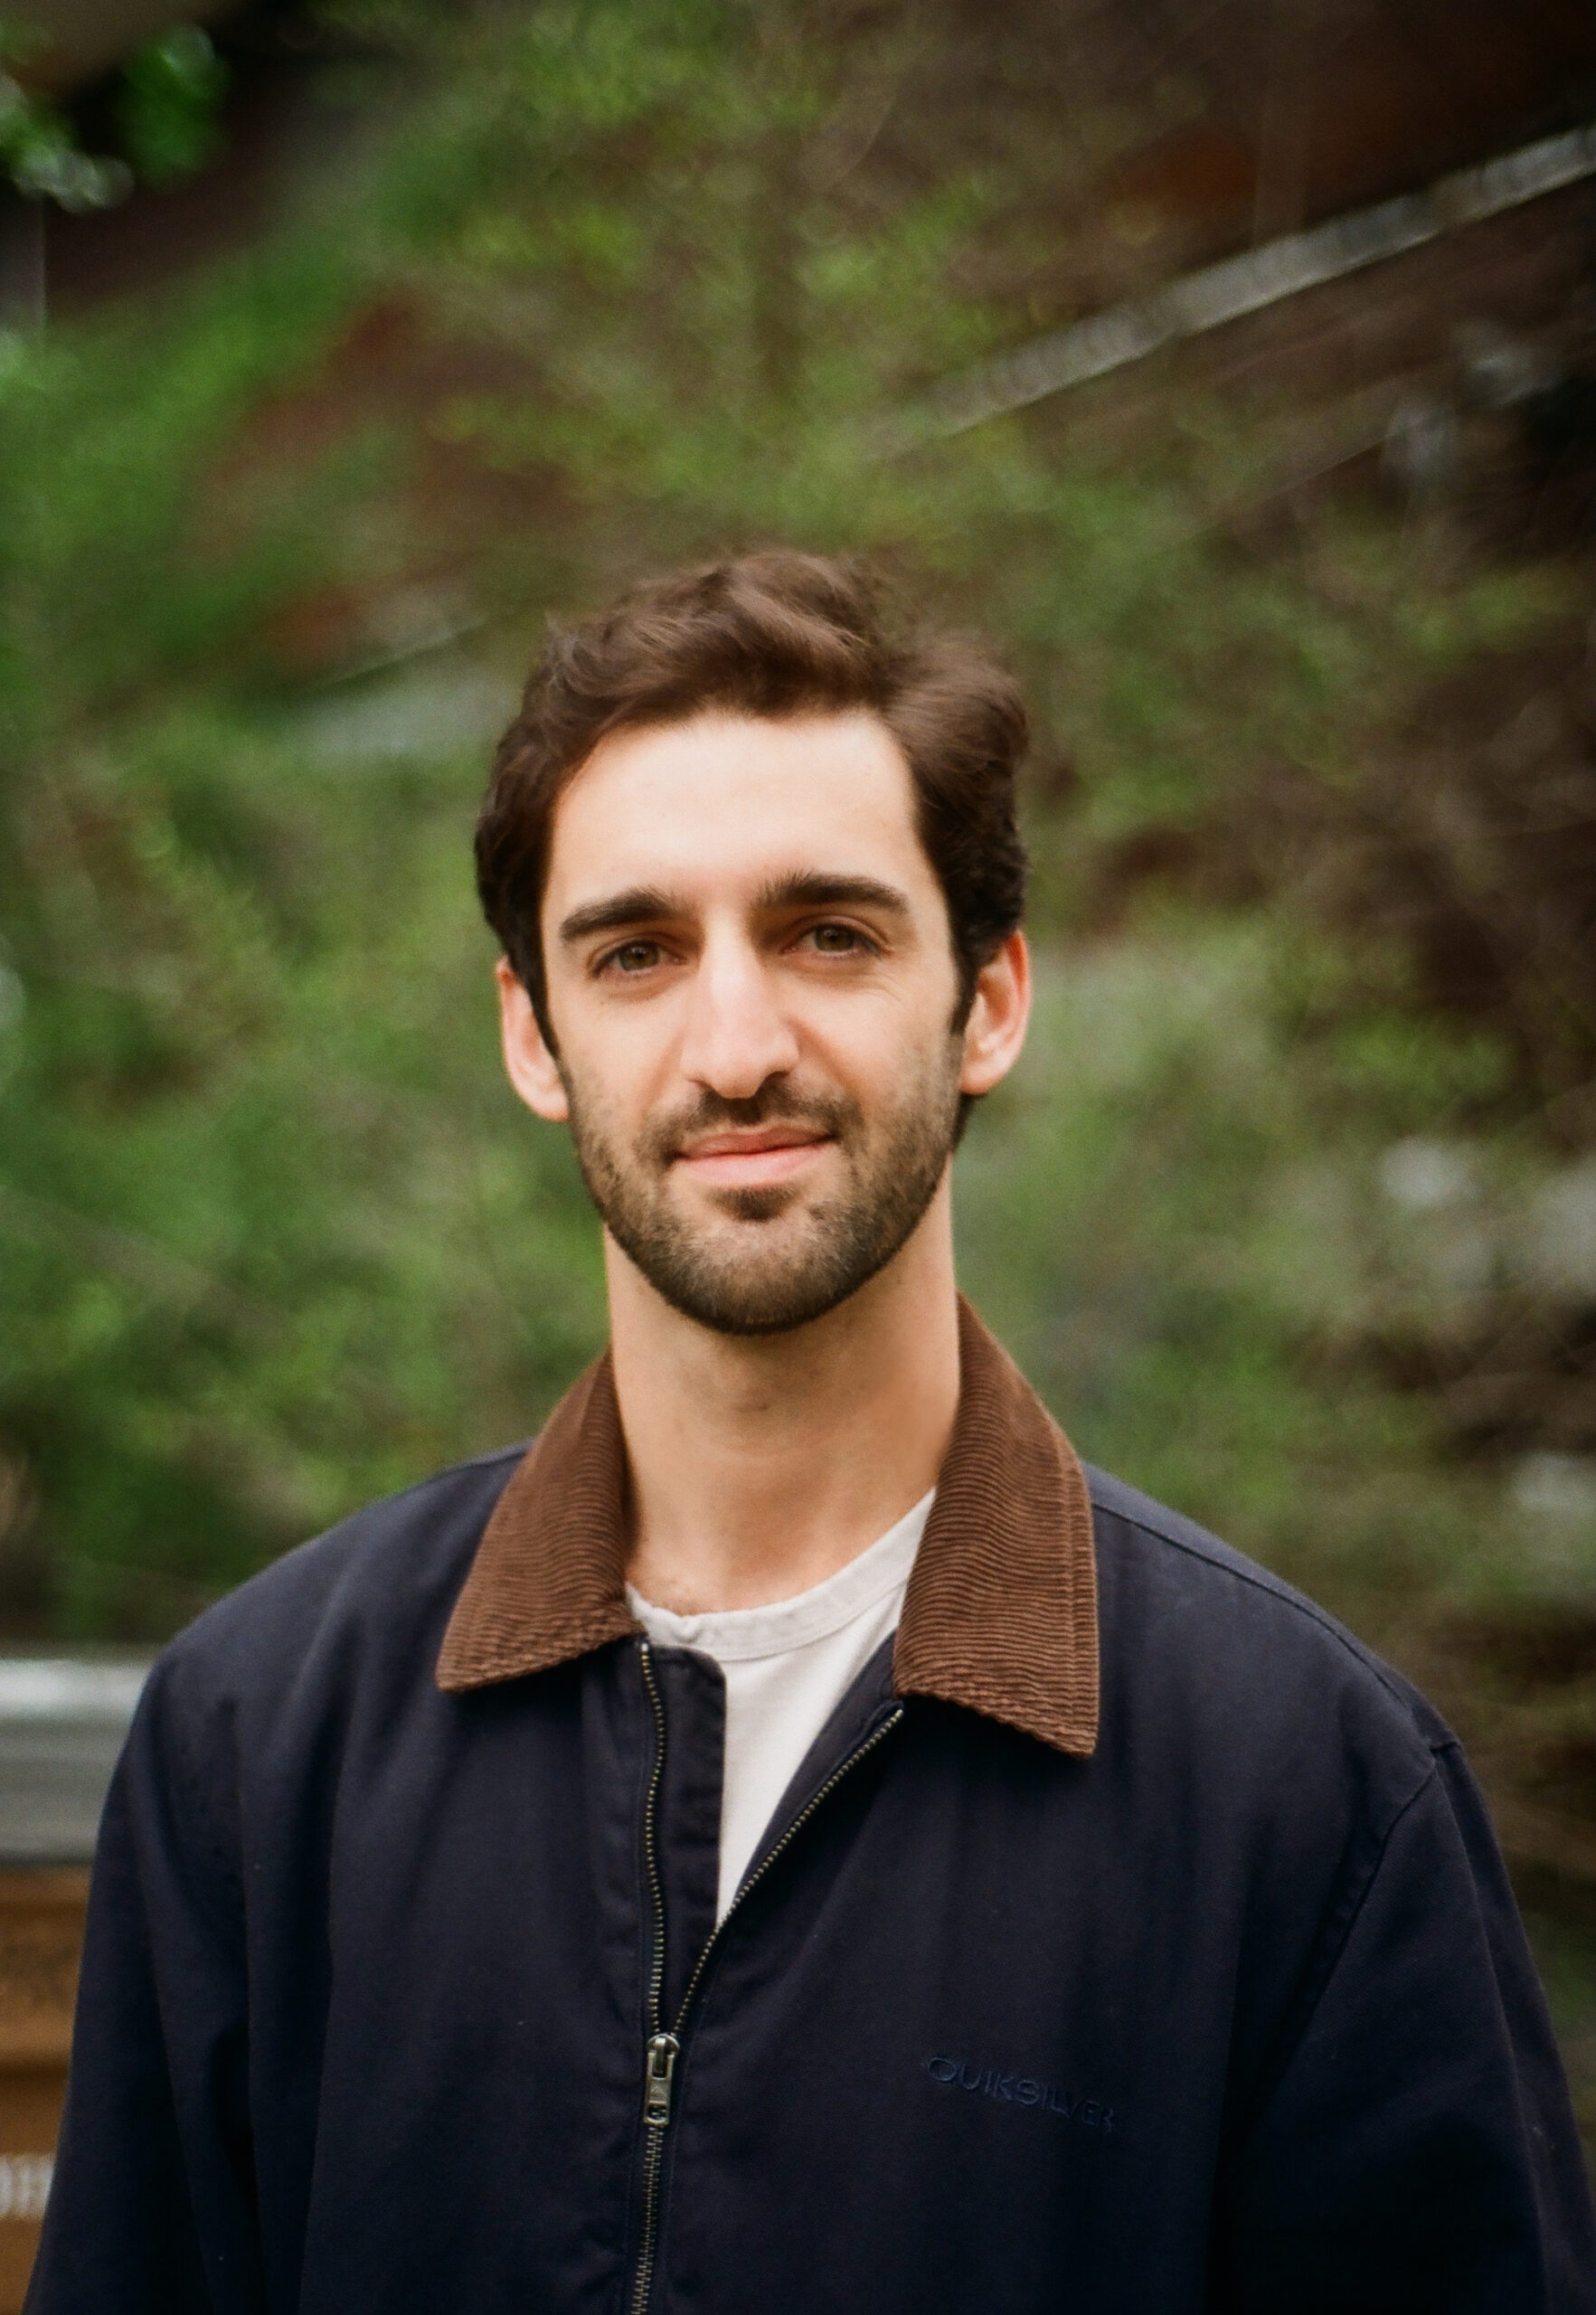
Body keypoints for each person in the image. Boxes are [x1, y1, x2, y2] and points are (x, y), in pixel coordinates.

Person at [28, 551, 1595, 2314]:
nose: (734, 1045)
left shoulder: (1306, 1790)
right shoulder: (258, 1744)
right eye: (635, 952)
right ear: (534, 1036)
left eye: (826, 933)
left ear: (986, 999)